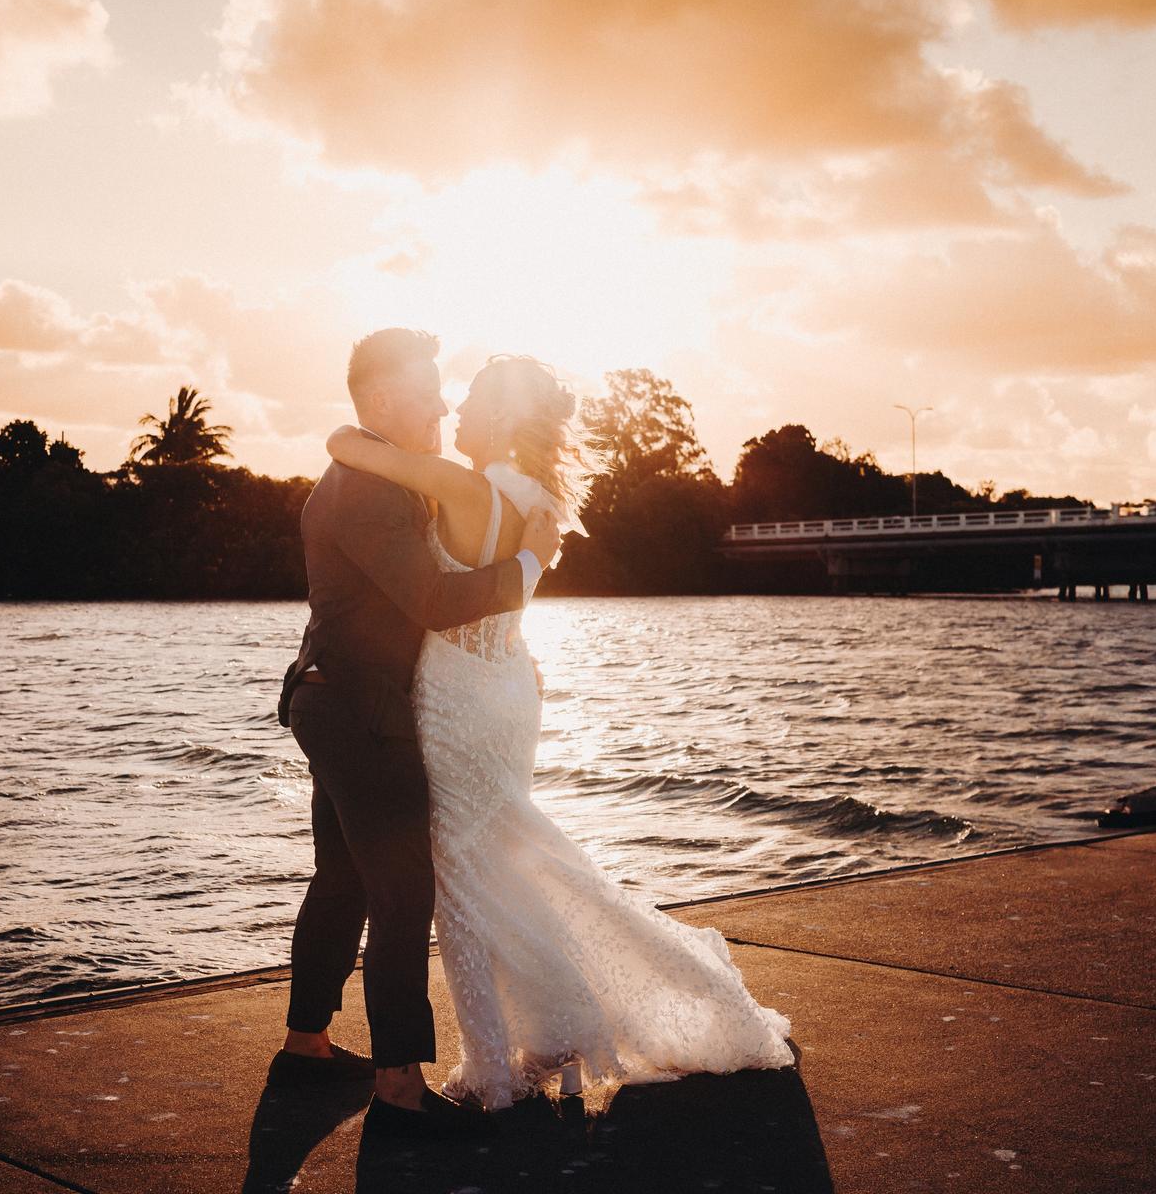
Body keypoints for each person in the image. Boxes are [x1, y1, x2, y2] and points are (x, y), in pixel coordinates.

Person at [322, 352, 794, 1112]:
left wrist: (356, 417)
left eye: (470, 401)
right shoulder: (540, 497)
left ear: (504, 417)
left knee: (463, 886)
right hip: (508, 685)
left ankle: (495, 1068)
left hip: (459, 695)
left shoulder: (466, 486)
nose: (453, 414)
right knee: (508, 858)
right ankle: (556, 1029)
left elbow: (346, 448)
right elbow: (509, 594)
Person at [272, 328, 561, 1139]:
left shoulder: (369, 469)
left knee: (343, 877)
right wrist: (531, 568)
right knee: (402, 889)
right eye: (429, 391)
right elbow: (433, 602)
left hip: (338, 701)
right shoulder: (364, 488)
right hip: (363, 714)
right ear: (386, 401)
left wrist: (505, 654)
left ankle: (307, 1043)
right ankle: (398, 1082)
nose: (441, 404)